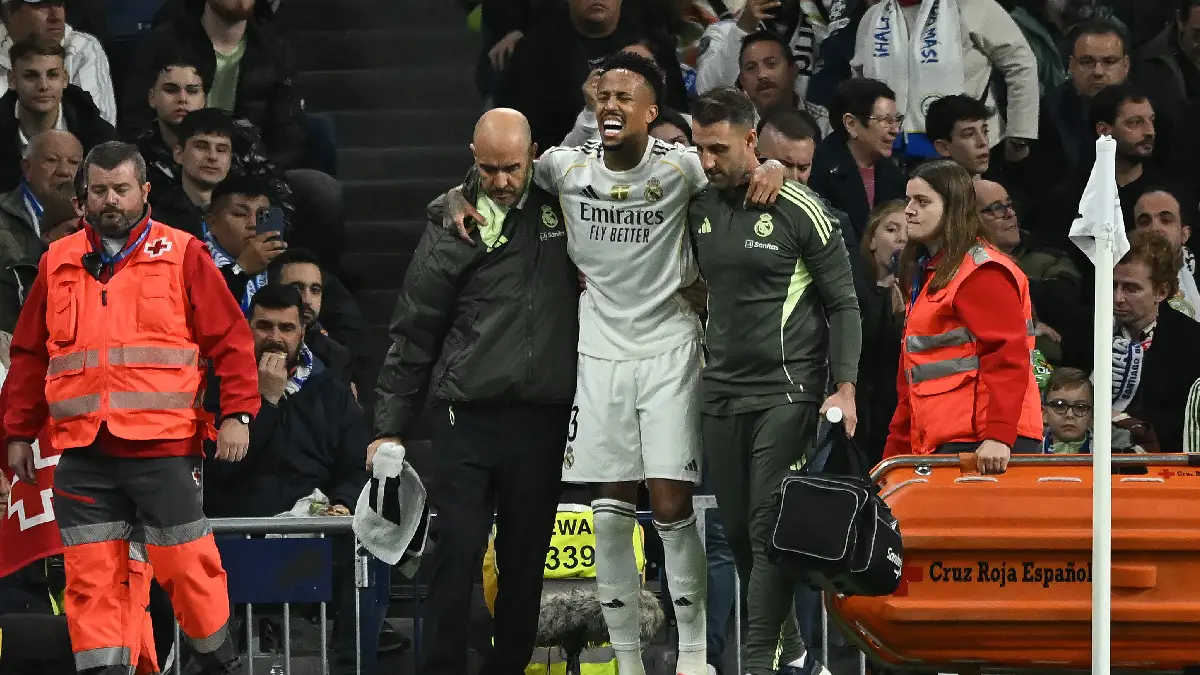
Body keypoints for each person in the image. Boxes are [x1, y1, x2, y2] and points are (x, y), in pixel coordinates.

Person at [447, 52, 785, 675]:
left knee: (671, 501)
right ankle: (626, 660)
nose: (610, 106)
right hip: (599, 348)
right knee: (609, 504)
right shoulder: (564, 168)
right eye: (603, 95)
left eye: (625, 98)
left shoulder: (683, 168)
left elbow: (739, 164)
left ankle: (690, 656)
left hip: (670, 346)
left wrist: (771, 167)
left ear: (652, 113)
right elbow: (499, 171)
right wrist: (454, 197)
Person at [3, 140, 259, 675]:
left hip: (162, 446)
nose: (110, 200)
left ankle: (221, 664)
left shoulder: (184, 253)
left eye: (121, 188)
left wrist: (237, 413)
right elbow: (28, 356)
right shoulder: (57, 261)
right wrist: (17, 433)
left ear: (143, 191)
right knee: (92, 579)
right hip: (84, 452)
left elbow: (231, 340)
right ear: (83, 196)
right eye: (99, 190)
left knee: (188, 566)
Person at [374, 108, 578, 675]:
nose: (502, 181)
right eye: (488, 169)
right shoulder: (454, 223)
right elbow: (414, 328)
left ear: (534, 152)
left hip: (540, 419)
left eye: (512, 167)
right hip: (466, 417)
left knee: (524, 563)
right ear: (472, 155)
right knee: (456, 553)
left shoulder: (566, 202)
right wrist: (390, 426)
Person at [688, 87, 857, 675]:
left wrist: (845, 387)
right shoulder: (697, 202)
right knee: (734, 532)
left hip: (788, 391)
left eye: (719, 149)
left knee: (764, 527)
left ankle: (757, 663)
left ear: (751, 141)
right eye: (699, 148)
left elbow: (844, 304)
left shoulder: (801, 208)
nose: (708, 162)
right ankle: (790, 640)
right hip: (719, 392)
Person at [884, 159, 1043, 472]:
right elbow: (914, 377)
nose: (909, 210)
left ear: (953, 208)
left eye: (922, 201)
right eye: (908, 200)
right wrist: (895, 454)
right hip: (948, 440)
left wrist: (999, 435)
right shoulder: (931, 274)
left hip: (986, 443)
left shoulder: (980, 273)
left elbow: (1007, 357)